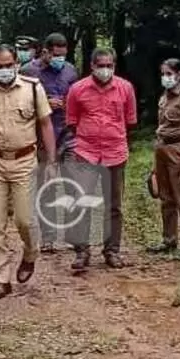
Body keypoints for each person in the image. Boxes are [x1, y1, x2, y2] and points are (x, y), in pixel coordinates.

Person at [0, 44, 55, 300]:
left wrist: (52, 160)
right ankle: (1, 278)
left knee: (25, 220)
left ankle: (30, 253)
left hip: (25, 161)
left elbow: (46, 124)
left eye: (8, 65)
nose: (4, 70)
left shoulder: (33, 88)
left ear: (16, 64)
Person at [64, 47, 137, 273]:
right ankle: (81, 251)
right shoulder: (77, 90)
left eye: (110, 66)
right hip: (86, 152)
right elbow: (72, 121)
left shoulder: (125, 88)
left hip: (116, 153)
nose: (106, 70)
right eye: (101, 65)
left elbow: (130, 121)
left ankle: (112, 250)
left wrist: (117, 138)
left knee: (114, 206)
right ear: (92, 66)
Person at [24, 33, 80, 251]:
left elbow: (77, 99)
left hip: (68, 134)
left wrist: (67, 105)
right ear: (45, 52)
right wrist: (44, 103)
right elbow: (21, 103)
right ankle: (47, 237)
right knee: (45, 186)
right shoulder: (29, 72)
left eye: (63, 55)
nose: (60, 59)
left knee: (72, 184)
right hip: (41, 137)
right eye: (56, 55)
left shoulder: (70, 71)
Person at [146, 58, 180, 262]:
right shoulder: (164, 97)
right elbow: (161, 127)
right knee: (166, 197)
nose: (165, 77)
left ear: (179, 74)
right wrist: (154, 166)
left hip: (178, 148)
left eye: (169, 73)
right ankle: (169, 239)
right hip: (161, 147)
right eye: (163, 73)